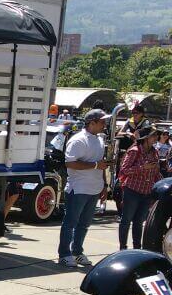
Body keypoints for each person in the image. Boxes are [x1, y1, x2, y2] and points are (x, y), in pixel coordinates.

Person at [58, 108, 112, 267]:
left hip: (94, 188)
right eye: (102, 121)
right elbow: (70, 163)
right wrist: (96, 165)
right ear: (92, 123)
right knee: (70, 223)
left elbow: (100, 165)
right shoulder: (78, 140)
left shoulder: (99, 140)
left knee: (84, 224)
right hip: (78, 188)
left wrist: (103, 185)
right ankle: (64, 254)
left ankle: (77, 252)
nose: (104, 124)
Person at [117, 125, 162, 250]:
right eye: (153, 135)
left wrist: (161, 184)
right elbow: (124, 170)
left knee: (139, 222)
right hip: (132, 190)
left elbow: (156, 173)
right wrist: (143, 168)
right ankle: (123, 248)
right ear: (146, 138)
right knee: (126, 220)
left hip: (146, 192)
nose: (156, 137)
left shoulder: (155, 152)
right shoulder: (134, 151)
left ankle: (137, 247)